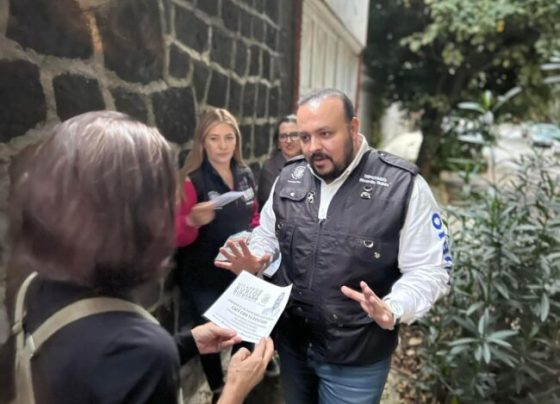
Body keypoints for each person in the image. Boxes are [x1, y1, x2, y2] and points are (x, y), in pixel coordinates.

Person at [9, 111, 274, 404]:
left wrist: (186, 343)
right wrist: (234, 390)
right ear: (136, 221)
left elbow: (102, 371)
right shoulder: (145, 353)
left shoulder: (34, 286)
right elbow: (130, 361)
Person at [215, 89, 452, 404]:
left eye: (325, 134)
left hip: (357, 355)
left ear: (353, 127)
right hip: (293, 344)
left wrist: (394, 307)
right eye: (305, 137)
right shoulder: (289, 176)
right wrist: (257, 257)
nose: (313, 147)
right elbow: (268, 234)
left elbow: (430, 269)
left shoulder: (402, 186)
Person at [174, 107, 260, 402]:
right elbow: (176, 237)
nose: (223, 145)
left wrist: (255, 236)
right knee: (211, 332)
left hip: (238, 271)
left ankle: (237, 382)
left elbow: (254, 215)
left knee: (245, 331)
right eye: (214, 138)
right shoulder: (191, 181)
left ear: (237, 140)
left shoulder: (245, 174)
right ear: (203, 142)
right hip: (203, 276)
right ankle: (217, 389)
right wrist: (191, 221)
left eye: (228, 137)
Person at [257, 114, 301, 208]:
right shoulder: (270, 169)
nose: (288, 141)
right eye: (283, 136)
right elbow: (275, 205)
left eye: (294, 135)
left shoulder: (311, 164)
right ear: (278, 143)